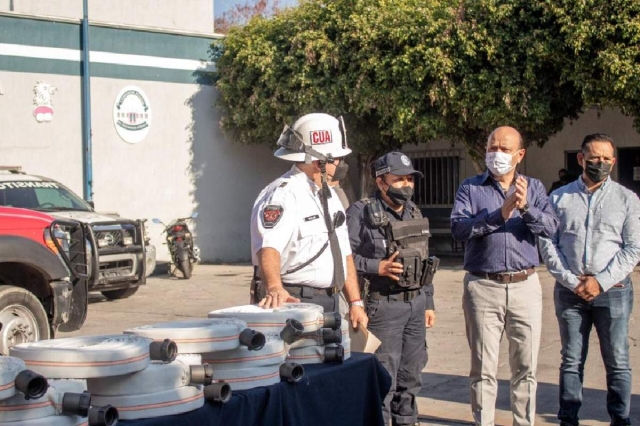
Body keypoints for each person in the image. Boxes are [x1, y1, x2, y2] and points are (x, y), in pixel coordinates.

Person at [450, 126, 558, 426]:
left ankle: (523, 422)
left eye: (505, 149)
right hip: (483, 285)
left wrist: (524, 208)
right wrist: (500, 214)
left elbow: (551, 228)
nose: (497, 154)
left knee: (526, 365)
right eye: (492, 147)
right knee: (483, 366)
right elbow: (459, 229)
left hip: (524, 285)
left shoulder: (533, 188)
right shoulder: (470, 188)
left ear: (519, 155)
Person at [539, 133, 640, 426]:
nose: (601, 163)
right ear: (581, 159)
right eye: (595, 158)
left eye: (607, 159)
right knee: (571, 360)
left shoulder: (627, 199)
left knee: (618, 360)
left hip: (614, 291)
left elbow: (633, 248)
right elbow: (548, 244)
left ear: (614, 161)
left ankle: (620, 418)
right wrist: (572, 281)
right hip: (570, 293)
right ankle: (568, 418)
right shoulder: (558, 198)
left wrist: (601, 281)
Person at [249, 113, 367, 331]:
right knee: (301, 364)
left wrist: (355, 303)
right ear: (317, 161)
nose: (341, 164)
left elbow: (344, 253)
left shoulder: (329, 196)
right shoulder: (283, 194)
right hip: (293, 300)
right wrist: (274, 287)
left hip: (331, 301)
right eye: (336, 159)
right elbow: (269, 247)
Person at [346, 151, 436, 426]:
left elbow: (425, 262)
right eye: (399, 179)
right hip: (382, 307)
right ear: (381, 181)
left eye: (410, 179)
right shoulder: (360, 212)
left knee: (411, 377)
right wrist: (378, 267)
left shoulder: (414, 211)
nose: (406, 185)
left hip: (415, 305)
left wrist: (429, 302)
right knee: (384, 379)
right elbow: (342, 259)